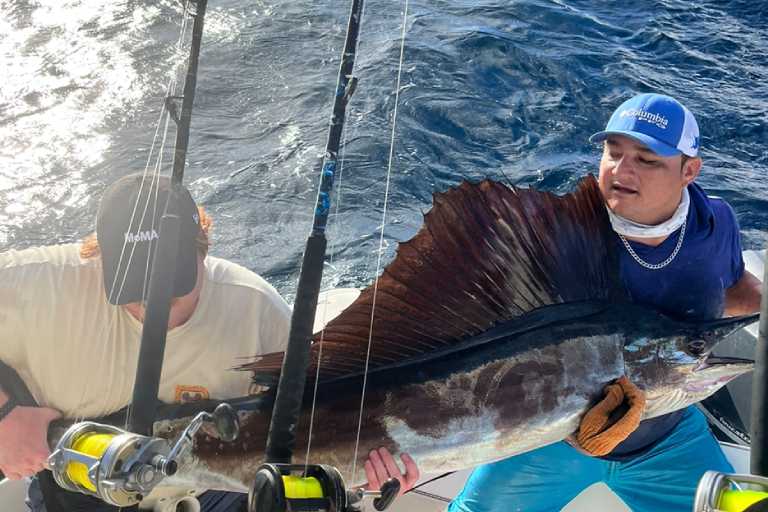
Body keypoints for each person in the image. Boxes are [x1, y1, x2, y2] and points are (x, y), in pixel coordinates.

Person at [0, 172, 418, 512]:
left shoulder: (256, 310)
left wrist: (366, 470)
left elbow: (315, 427)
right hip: (78, 490)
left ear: (204, 248)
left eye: (171, 288)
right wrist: (5, 415)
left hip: (207, 491)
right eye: (134, 291)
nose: (152, 306)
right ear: (98, 257)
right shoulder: (39, 286)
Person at [444, 93, 763, 511]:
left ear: (690, 170)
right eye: (614, 152)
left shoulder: (713, 221)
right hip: (554, 440)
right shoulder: (561, 238)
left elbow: (735, 286)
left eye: (647, 159)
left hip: (667, 436)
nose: (622, 170)